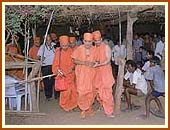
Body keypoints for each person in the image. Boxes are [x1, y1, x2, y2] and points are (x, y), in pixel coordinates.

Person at [71, 32, 96, 119]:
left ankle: (89, 108)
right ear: (83, 41)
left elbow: (98, 61)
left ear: (92, 41)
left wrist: (95, 63)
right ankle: (83, 109)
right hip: (81, 74)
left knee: (91, 91)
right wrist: (84, 62)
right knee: (82, 92)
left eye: (89, 41)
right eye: (86, 41)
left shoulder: (95, 49)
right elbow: (74, 61)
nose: (88, 43)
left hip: (92, 74)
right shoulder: (79, 49)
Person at [93, 30, 115, 117]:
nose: (97, 42)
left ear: (101, 39)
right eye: (95, 40)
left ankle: (109, 111)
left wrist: (99, 64)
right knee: (98, 91)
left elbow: (107, 60)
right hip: (97, 72)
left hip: (105, 72)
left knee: (107, 92)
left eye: (98, 40)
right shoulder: (94, 49)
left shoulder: (106, 47)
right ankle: (102, 106)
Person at [52, 35, 77, 111]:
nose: (65, 47)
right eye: (63, 45)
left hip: (71, 75)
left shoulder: (71, 50)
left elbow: (74, 62)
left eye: (66, 45)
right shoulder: (58, 52)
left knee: (73, 91)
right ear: (60, 44)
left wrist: (72, 68)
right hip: (63, 76)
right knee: (65, 93)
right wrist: (58, 71)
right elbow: (55, 64)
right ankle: (65, 106)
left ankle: (73, 105)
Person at [37, 35, 55, 101]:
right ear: (44, 40)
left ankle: (56, 95)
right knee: (46, 81)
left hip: (54, 65)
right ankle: (48, 96)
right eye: (47, 40)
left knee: (54, 80)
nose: (48, 41)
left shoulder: (54, 45)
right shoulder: (42, 47)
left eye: (49, 39)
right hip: (46, 66)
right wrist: (42, 58)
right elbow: (38, 57)